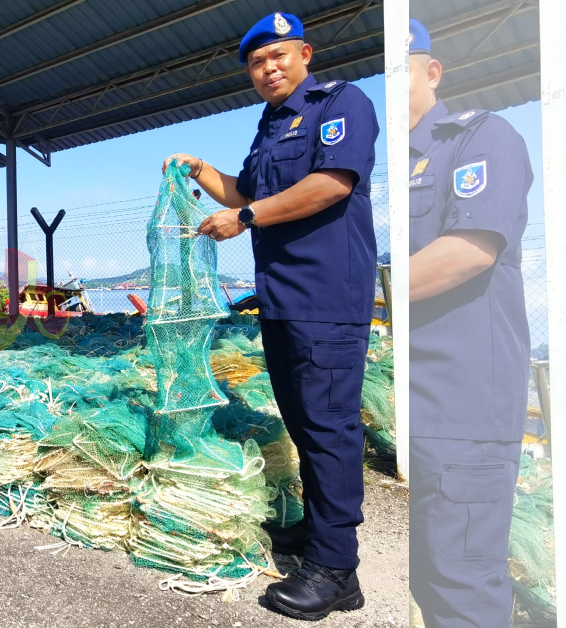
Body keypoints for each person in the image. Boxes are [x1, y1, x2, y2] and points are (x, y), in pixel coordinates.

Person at [165, 11, 378, 620]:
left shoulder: (342, 104)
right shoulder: (270, 124)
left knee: (330, 427)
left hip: (326, 298)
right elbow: (247, 193)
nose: (268, 69)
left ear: (305, 54)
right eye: (257, 63)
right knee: (306, 423)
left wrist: (247, 219)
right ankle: (321, 541)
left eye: (278, 56)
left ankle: (336, 572)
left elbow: (332, 183)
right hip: (281, 299)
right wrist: (202, 171)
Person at [406, 19, 531, 628]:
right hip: (417, 402)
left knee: (461, 588)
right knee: (430, 580)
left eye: (402, 69)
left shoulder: (480, 139)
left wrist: (356, 302)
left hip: (464, 404)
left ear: (431, 73)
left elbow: (467, 251)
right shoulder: (393, 168)